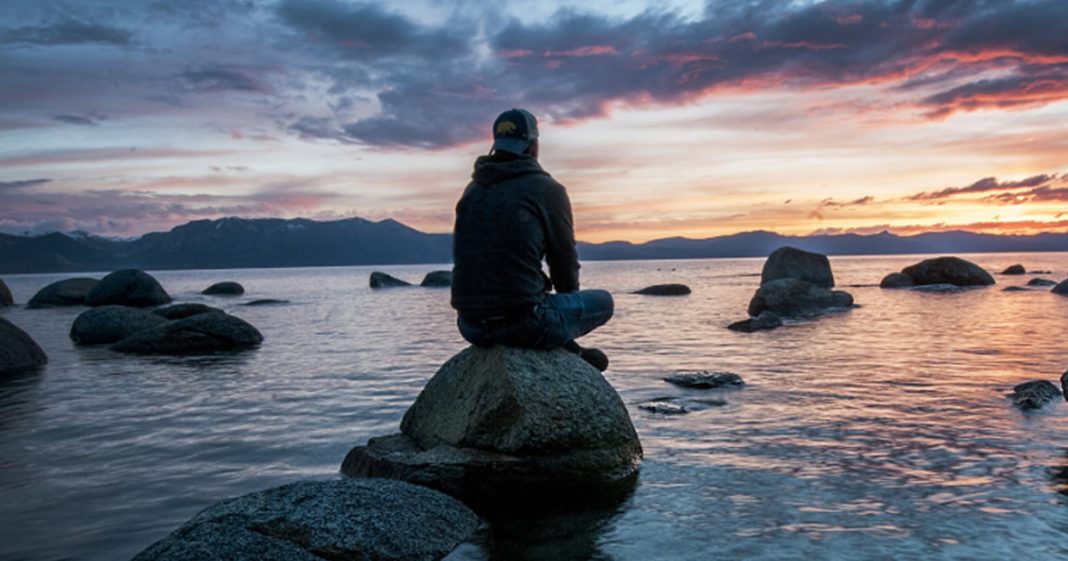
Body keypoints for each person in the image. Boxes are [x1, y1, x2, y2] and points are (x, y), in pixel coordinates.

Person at [451, 108, 614, 370]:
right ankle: (567, 347)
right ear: (533, 145)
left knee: (532, 300)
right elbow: (563, 262)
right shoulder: (546, 189)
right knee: (604, 301)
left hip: (469, 326)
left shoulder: (472, 190)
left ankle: (568, 347)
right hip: (523, 323)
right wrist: (566, 309)